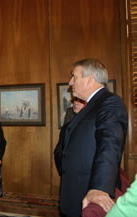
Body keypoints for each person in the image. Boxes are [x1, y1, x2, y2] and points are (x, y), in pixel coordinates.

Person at [56, 58, 128, 217]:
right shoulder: (90, 106)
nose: (70, 82)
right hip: (75, 192)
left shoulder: (110, 103)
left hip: (88, 191)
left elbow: (110, 146)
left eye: (74, 77)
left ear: (90, 79)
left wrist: (100, 189)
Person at [54, 97, 86, 176]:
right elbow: (59, 150)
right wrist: (64, 170)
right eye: (75, 100)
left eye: (81, 100)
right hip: (69, 173)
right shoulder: (67, 126)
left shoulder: (97, 124)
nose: (76, 103)